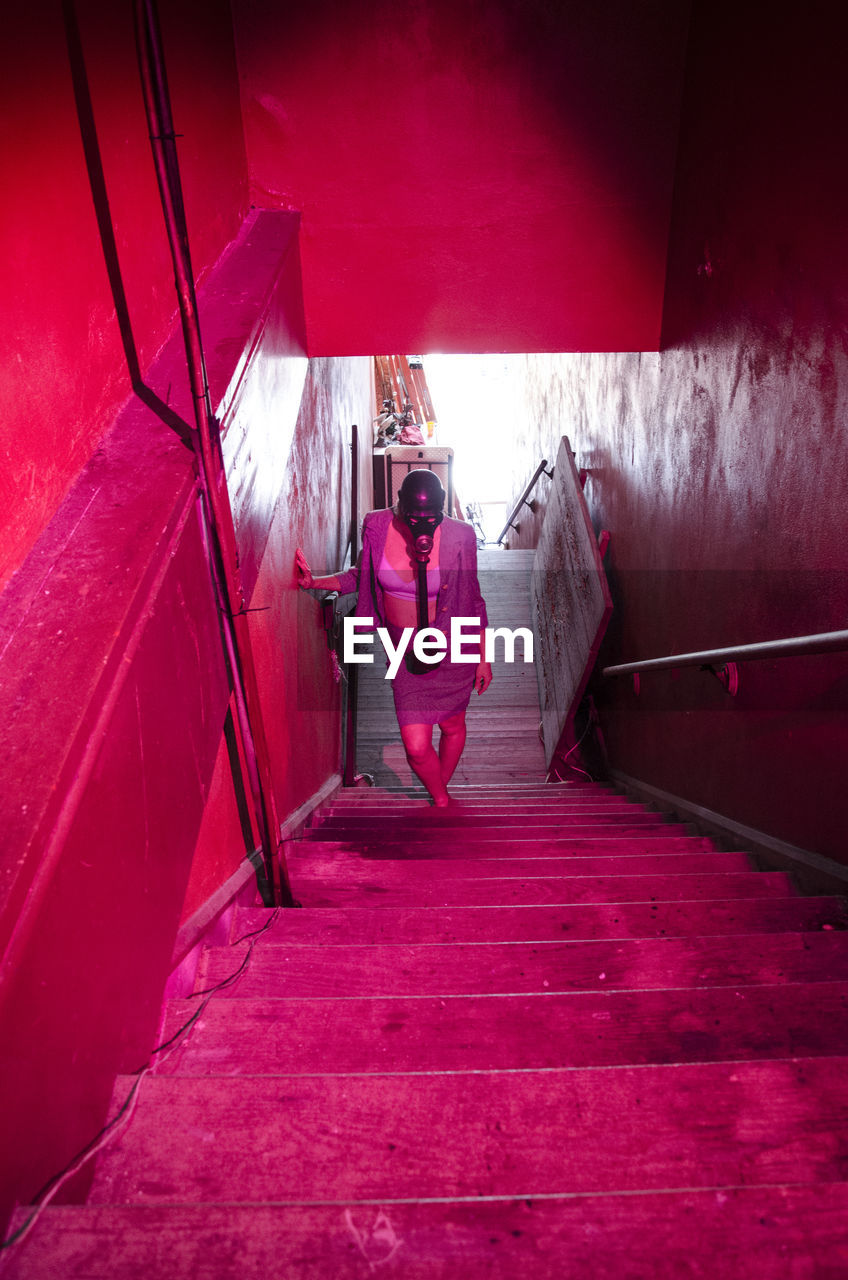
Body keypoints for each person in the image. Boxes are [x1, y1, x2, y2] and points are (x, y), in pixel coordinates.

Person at [296, 470, 492, 806]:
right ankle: (441, 796)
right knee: (416, 747)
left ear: (441, 511)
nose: (422, 526)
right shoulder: (376, 526)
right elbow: (361, 576)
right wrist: (315, 582)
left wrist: (482, 657)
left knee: (452, 725)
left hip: (451, 646)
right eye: (414, 518)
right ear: (399, 508)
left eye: (430, 518)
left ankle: (440, 798)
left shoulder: (461, 535)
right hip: (403, 652)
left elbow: (473, 599)